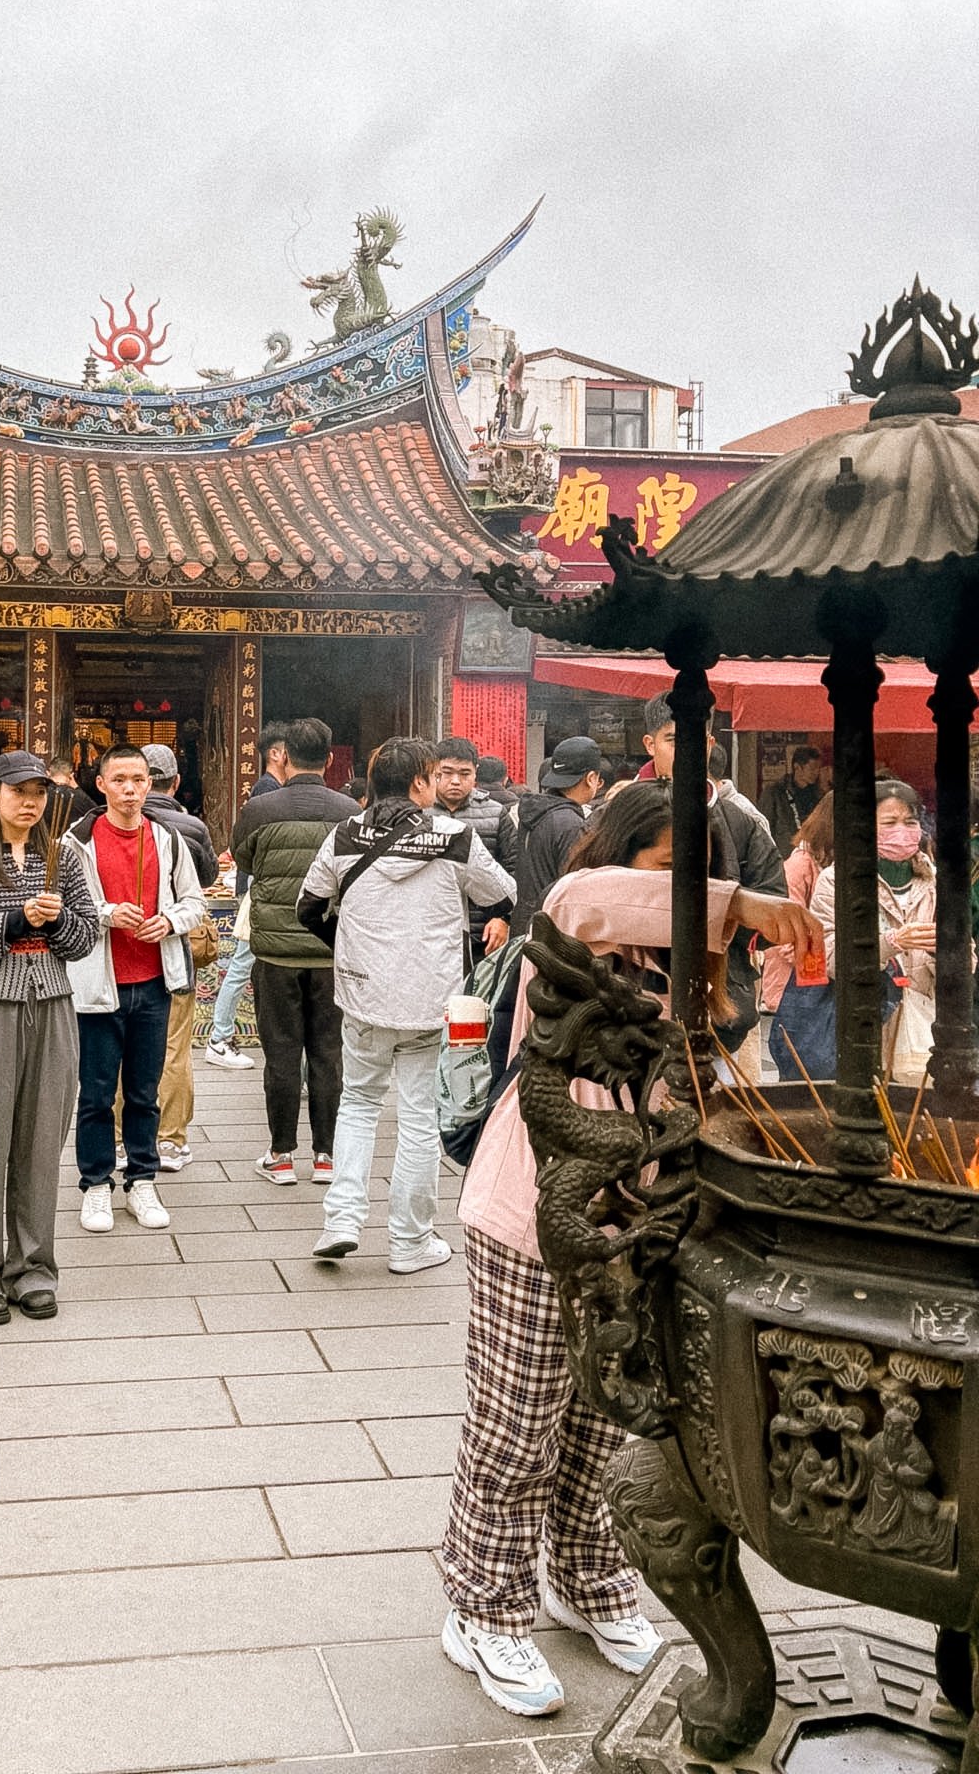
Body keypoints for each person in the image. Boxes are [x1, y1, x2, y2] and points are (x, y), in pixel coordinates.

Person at [439, 783, 818, 1719]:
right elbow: (585, 901)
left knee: (613, 1420)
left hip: (646, 1219)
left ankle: (591, 1579)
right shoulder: (570, 928)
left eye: (703, 873)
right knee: (518, 1424)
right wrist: (739, 903)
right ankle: (483, 1606)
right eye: (667, 872)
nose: (685, 893)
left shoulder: (690, 967)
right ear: (618, 858)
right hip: (533, 1211)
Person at [299, 736, 514, 1266]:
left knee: (358, 1103)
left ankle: (342, 1218)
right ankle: (410, 1241)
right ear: (421, 781)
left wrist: (349, 945)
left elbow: (308, 906)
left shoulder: (344, 833)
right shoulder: (455, 836)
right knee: (419, 1117)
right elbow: (503, 895)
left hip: (362, 993)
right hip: (429, 997)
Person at [0, 749, 99, 1322]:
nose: (30, 802)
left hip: (52, 1005)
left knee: (39, 1146)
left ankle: (32, 1268)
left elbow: (84, 941)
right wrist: (16, 919)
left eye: (39, 793)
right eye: (18, 792)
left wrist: (55, 920)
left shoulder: (63, 858)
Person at [66, 742, 206, 1235]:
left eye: (138, 780)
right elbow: (66, 909)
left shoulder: (167, 838)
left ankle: (141, 1179)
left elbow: (195, 902)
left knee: (146, 1092)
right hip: (97, 986)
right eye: (119, 780)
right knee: (97, 1094)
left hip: (153, 981)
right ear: (100, 785)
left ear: (151, 784)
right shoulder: (76, 841)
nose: (130, 790)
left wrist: (168, 921)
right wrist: (107, 914)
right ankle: (96, 1184)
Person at [232, 717, 356, 1184]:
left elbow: (243, 860)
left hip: (276, 954)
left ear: (284, 755)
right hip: (330, 952)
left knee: (281, 1055)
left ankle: (281, 1155)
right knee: (329, 1053)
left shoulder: (260, 809)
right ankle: (326, 1156)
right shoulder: (348, 810)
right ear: (328, 759)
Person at [641, 695, 786, 1075]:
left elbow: (772, 906)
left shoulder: (743, 824)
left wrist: (731, 924)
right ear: (650, 743)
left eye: (695, 740)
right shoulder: (620, 815)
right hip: (635, 1015)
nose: (687, 751)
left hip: (719, 1013)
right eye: (674, 740)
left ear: (709, 744)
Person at [810, 779, 935, 1084]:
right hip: (862, 1026)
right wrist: (892, 942)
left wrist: (945, 950)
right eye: (890, 822)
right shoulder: (835, 881)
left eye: (910, 821)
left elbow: (966, 964)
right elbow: (828, 958)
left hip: (924, 1026)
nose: (902, 831)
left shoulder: (933, 881)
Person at [141, 743, 219, 1171]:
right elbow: (205, 878)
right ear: (175, 782)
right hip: (177, 950)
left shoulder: (104, 826)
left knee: (123, 1048)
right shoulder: (190, 826)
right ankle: (170, 1141)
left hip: (127, 951)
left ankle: (120, 1136)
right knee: (174, 1049)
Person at [204, 722, 287, 1071]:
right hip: (258, 887)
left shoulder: (269, 788)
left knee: (249, 964)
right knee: (242, 963)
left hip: (255, 884)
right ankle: (219, 1038)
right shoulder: (267, 790)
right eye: (288, 750)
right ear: (275, 753)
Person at [762, 793, 836, 1083]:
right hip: (801, 983)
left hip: (823, 981)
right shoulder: (800, 865)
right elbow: (784, 930)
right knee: (804, 1060)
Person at [433, 736, 518, 965]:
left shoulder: (496, 814)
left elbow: (514, 869)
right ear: (433, 770)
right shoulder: (418, 813)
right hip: (432, 935)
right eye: (447, 772)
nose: (455, 781)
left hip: (485, 936)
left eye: (464, 774)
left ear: (476, 773)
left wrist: (504, 918)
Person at [511, 737, 602, 933]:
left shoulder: (533, 812)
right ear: (591, 778)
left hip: (525, 923)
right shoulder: (571, 824)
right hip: (552, 931)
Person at [761, 746, 827, 860]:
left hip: (811, 856)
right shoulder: (775, 792)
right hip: (784, 856)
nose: (816, 772)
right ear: (797, 768)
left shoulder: (818, 795)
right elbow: (764, 827)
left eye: (818, 768)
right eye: (812, 768)